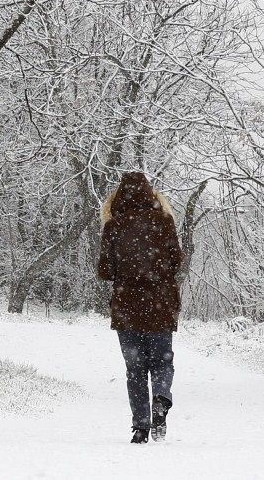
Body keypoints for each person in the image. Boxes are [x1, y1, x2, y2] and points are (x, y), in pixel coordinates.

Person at [97, 170, 183, 444]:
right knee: (161, 361)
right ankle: (161, 396)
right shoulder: (164, 222)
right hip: (160, 304)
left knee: (134, 369)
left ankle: (140, 427)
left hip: (128, 306)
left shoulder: (114, 225)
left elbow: (105, 270)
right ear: (150, 194)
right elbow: (176, 261)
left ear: (119, 196)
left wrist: (126, 268)